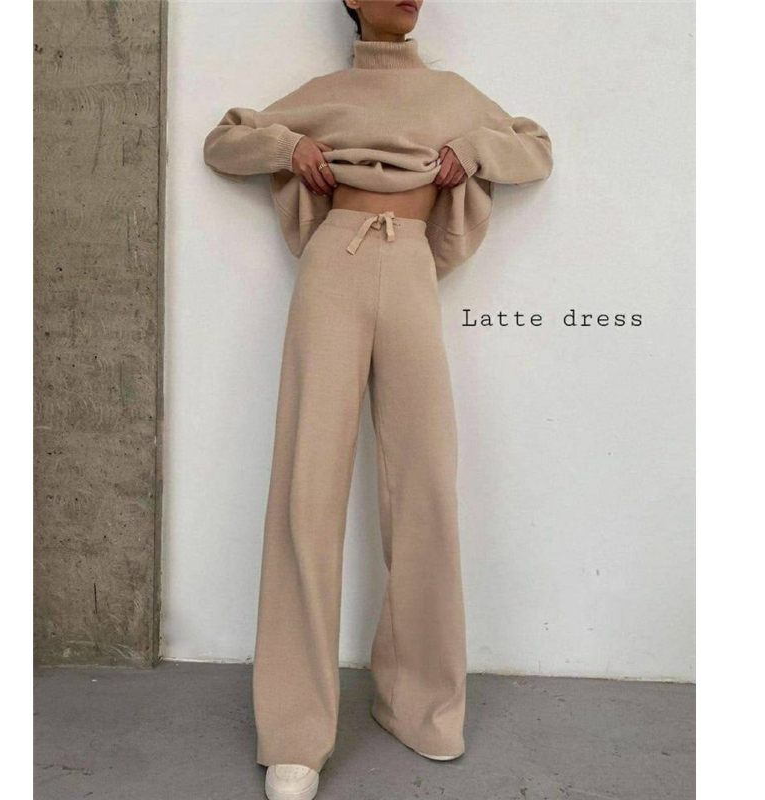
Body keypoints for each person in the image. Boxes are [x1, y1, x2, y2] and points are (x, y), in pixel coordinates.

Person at [203, 2, 553, 797]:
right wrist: (286, 146)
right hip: (335, 264)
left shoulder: (452, 95)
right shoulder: (326, 92)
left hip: (411, 273)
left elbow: (535, 148)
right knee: (308, 488)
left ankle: (419, 704)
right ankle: (295, 731)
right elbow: (224, 141)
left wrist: (473, 150)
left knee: (423, 485)